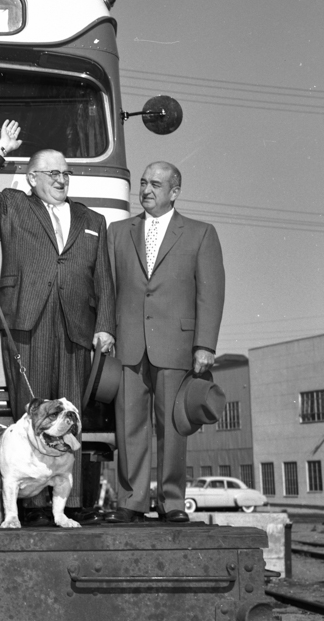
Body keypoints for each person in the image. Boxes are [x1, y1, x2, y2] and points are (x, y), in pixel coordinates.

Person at [0, 119, 116, 526]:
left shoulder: (93, 220)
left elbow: (104, 279)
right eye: (52, 173)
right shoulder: (13, 205)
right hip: (26, 322)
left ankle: (67, 502)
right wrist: (1, 147)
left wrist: (105, 325)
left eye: (65, 173)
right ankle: (26, 502)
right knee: (30, 413)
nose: (61, 179)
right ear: (32, 179)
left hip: (75, 328)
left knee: (70, 416)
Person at [104, 161, 225, 523]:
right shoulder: (117, 232)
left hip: (177, 345)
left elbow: (211, 293)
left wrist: (205, 344)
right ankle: (131, 500)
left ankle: (172, 502)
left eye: (155, 184)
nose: (146, 190)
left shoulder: (201, 233)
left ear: (174, 192)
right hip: (128, 343)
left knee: (172, 426)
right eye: (142, 183)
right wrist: (107, 330)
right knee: (128, 425)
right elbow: (108, 289)